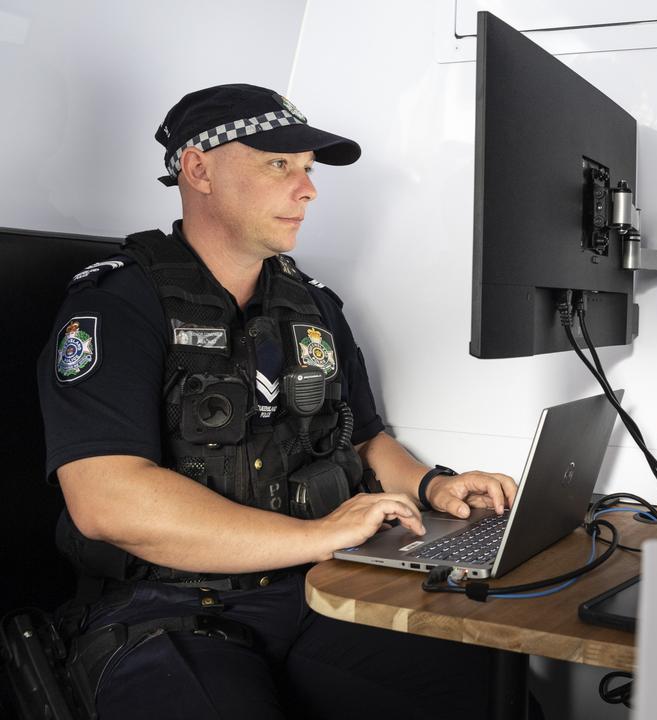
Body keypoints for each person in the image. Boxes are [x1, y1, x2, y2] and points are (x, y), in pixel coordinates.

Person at [38, 83, 518, 719]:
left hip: (315, 592)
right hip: (164, 611)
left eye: (308, 169)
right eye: (278, 164)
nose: (307, 189)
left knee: (482, 683)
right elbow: (107, 503)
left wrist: (433, 486)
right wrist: (318, 535)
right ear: (197, 168)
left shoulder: (313, 307)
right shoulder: (116, 307)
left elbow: (364, 439)